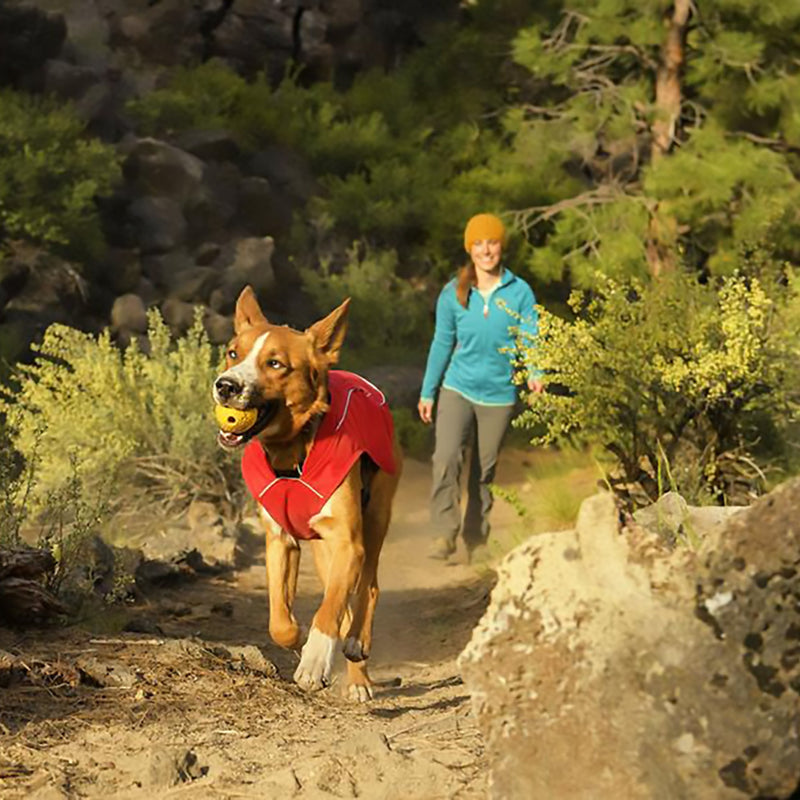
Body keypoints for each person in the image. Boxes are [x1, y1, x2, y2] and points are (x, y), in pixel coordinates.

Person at [417, 212, 543, 562]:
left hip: (499, 394)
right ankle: (443, 534)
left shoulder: (519, 292)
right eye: (478, 243)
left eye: (492, 242)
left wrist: (535, 370)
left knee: (484, 471)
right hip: (457, 387)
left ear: (502, 246)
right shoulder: (453, 293)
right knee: (445, 458)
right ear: (469, 248)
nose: (486, 250)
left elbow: (529, 336)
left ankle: (477, 538)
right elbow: (442, 343)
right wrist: (428, 391)